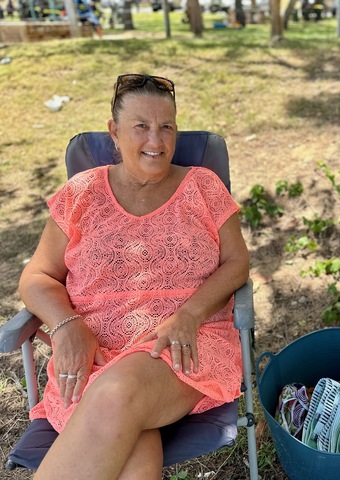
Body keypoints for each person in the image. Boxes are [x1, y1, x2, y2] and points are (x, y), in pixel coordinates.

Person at [19, 73, 250, 479]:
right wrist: (67, 326)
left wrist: (189, 314)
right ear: (114, 131)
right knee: (136, 461)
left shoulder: (203, 186)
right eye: (141, 126)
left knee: (115, 394)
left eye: (167, 127)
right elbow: (36, 276)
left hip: (180, 345)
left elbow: (237, 262)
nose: (156, 141)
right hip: (91, 356)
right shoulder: (81, 193)